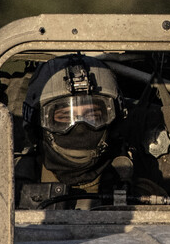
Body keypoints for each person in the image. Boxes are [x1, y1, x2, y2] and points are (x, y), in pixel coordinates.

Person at [16, 54, 135, 208]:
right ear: (38, 125)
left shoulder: (139, 188)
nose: (80, 127)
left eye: (92, 115)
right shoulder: (9, 186)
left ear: (113, 120)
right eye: (65, 117)